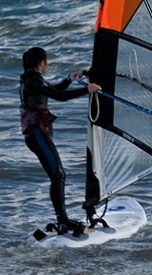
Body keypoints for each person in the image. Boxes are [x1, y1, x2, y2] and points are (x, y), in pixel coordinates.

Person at [19, 46, 101, 233]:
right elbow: (58, 96)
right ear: (42, 63)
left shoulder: (32, 80)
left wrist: (69, 79)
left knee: (58, 174)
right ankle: (63, 220)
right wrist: (86, 90)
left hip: (37, 134)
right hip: (36, 134)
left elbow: (53, 90)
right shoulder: (33, 81)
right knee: (58, 174)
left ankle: (63, 219)